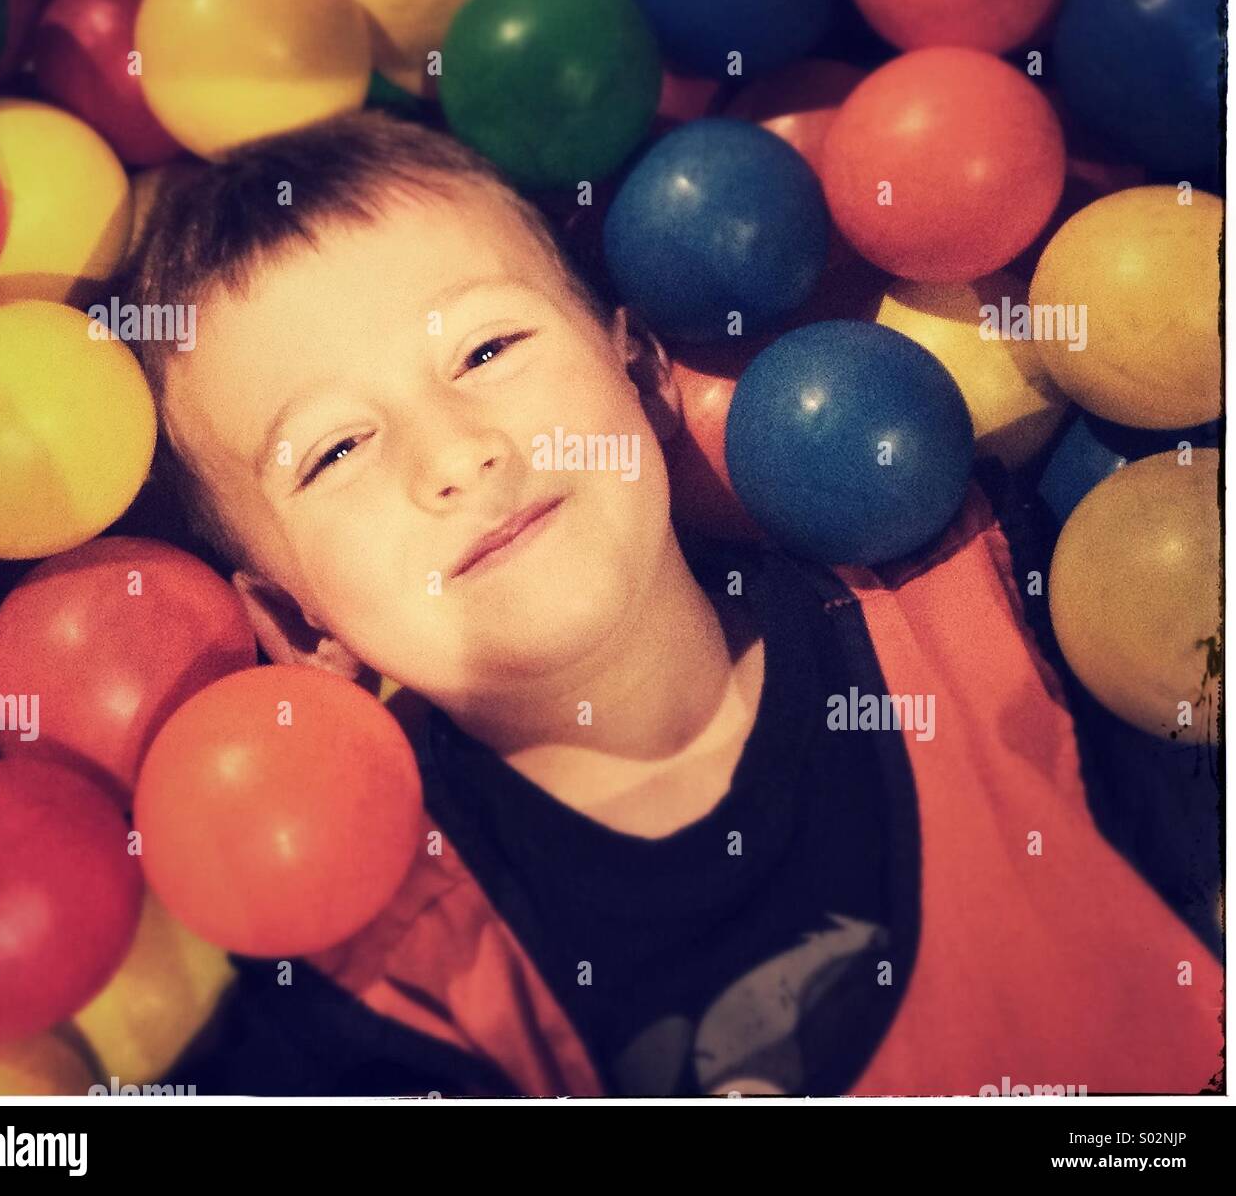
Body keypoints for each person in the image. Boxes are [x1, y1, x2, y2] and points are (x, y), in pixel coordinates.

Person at [120, 111, 1220, 1098]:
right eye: (334, 451)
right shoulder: (394, 974)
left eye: (487, 348)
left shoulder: (989, 602)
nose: (454, 455)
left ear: (639, 375)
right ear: (300, 625)